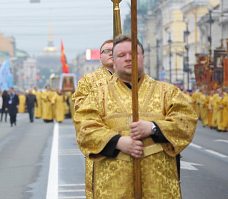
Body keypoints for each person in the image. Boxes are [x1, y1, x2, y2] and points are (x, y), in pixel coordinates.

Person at [74, 35, 197, 198]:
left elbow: (186, 121)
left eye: (133, 54)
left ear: (142, 58)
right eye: (121, 55)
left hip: (159, 185)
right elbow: (84, 128)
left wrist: (153, 128)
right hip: (113, 187)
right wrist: (118, 142)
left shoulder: (168, 92)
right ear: (114, 61)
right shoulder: (98, 95)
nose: (128, 59)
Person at [72, 38, 114, 199]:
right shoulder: (89, 80)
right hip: (103, 142)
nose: (110, 53)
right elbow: (81, 109)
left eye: (113, 50)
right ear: (100, 57)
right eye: (106, 51)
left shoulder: (132, 77)